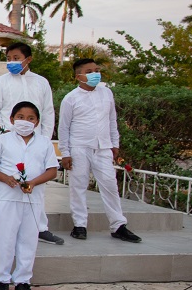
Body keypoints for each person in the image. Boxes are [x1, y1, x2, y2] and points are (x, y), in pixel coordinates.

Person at [0, 41, 64, 245]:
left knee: (37, 184)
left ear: (28, 59)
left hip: (35, 142)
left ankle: (40, 227)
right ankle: (8, 226)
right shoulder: (2, 82)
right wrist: (5, 130)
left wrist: (45, 141)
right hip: (10, 140)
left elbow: (48, 112)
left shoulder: (41, 82)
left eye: (16, 58)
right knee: (8, 183)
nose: (12, 62)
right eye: (9, 59)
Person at [0, 102, 59, 290]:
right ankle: (1, 281)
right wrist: (6, 178)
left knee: (28, 240)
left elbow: (52, 170)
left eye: (31, 118)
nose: (25, 121)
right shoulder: (2, 141)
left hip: (33, 200)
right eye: (21, 117)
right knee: (5, 238)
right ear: (11, 119)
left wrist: (34, 182)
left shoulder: (44, 143)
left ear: (37, 122)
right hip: (8, 198)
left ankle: (23, 281)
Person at [59, 59, 141, 243]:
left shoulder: (106, 93)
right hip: (79, 147)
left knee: (110, 185)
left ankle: (118, 225)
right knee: (78, 187)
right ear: (78, 76)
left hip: (103, 147)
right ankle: (80, 225)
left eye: (96, 70)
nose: (95, 74)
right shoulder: (71, 98)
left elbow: (112, 120)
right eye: (89, 71)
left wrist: (115, 143)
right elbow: (63, 127)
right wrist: (65, 153)